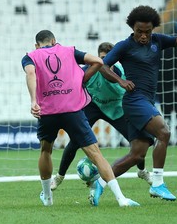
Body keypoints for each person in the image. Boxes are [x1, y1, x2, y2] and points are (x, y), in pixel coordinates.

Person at [89, 5, 177, 205]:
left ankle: (99, 184)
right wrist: (121, 81)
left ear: (153, 29)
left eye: (147, 32)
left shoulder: (158, 41)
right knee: (164, 132)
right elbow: (102, 65)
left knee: (137, 155)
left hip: (146, 100)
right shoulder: (124, 46)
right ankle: (157, 183)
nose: (143, 36)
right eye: (139, 31)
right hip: (135, 100)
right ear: (132, 28)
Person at [21, 30, 139, 207]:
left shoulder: (30, 56)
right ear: (54, 41)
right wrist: (81, 80)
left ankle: (47, 197)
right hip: (73, 109)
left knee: (46, 150)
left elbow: (30, 74)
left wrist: (33, 101)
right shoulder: (69, 51)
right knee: (95, 154)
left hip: (48, 112)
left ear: (37, 45)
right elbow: (98, 61)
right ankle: (121, 199)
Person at [50, 42, 153, 191]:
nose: (105, 62)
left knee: (138, 141)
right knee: (75, 141)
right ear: (98, 58)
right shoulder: (89, 71)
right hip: (94, 106)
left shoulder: (123, 74)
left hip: (116, 109)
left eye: (108, 58)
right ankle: (59, 177)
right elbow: (73, 86)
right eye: (102, 58)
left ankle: (142, 171)